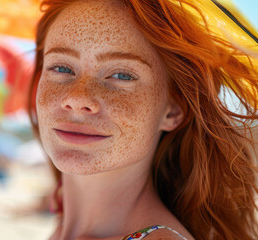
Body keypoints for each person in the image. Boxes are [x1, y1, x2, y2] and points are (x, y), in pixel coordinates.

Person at [27, 0, 258, 239]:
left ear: (174, 110)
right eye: (62, 68)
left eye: (122, 75)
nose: (77, 98)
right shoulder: (63, 231)